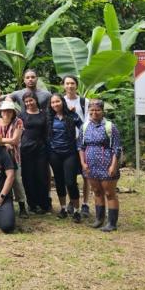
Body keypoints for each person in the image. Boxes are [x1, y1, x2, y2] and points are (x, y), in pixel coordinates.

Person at [78, 99, 122, 232]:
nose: (94, 113)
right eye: (92, 110)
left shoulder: (110, 127)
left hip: (106, 164)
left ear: (103, 111)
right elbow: (81, 146)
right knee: (97, 192)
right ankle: (99, 219)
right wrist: (83, 162)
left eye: (97, 110)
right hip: (91, 165)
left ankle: (112, 223)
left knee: (109, 193)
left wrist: (113, 166)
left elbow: (117, 148)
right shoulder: (85, 127)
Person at [47, 93, 83, 222]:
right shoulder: (49, 117)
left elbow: (83, 128)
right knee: (59, 181)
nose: (55, 104)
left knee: (70, 182)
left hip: (70, 153)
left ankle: (77, 210)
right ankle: (62, 208)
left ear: (62, 102)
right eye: (53, 102)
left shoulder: (72, 115)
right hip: (54, 153)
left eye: (57, 101)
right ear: (50, 105)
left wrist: (81, 143)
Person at [0, 101, 29, 218]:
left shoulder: (18, 122)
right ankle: (4, 204)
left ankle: (22, 206)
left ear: (13, 112)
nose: (6, 113)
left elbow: (15, 141)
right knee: (0, 180)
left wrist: (1, 140)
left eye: (9, 111)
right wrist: (5, 142)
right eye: (4, 111)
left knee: (17, 181)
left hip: (14, 157)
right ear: (1, 112)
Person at [62, 75, 91, 218]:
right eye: (67, 83)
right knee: (70, 175)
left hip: (83, 142)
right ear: (63, 86)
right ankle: (72, 201)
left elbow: (87, 122)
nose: (69, 86)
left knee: (86, 174)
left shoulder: (84, 102)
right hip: (68, 142)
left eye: (72, 83)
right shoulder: (60, 101)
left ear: (76, 85)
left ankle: (85, 203)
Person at [19, 92, 51, 213]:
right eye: (26, 101)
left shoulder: (44, 114)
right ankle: (32, 204)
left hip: (41, 148)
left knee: (42, 176)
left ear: (35, 100)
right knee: (28, 177)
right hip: (26, 149)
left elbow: (47, 132)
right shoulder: (21, 115)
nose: (29, 103)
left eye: (30, 100)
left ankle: (44, 204)